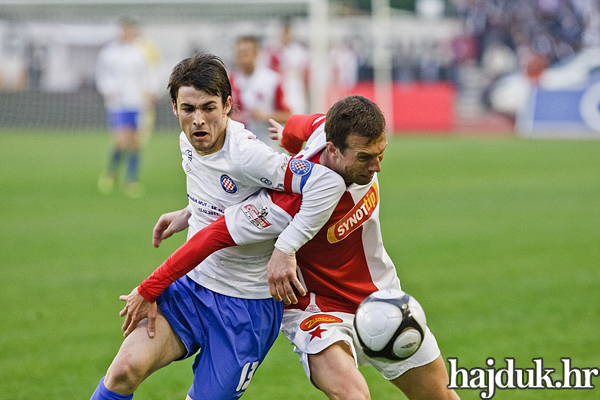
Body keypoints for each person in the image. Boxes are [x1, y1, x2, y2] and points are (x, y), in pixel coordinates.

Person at [121, 95, 460, 399]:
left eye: (381, 154)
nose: (376, 167)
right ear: (333, 149)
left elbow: (299, 125)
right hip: (316, 310)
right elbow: (212, 237)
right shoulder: (284, 204)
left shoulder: (322, 129)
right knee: (353, 396)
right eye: (366, 157)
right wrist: (153, 285)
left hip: (381, 298)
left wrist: (285, 137)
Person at [89, 53, 345, 400]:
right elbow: (220, 195)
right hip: (191, 288)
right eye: (188, 108)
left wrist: (287, 248)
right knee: (123, 370)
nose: (198, 120)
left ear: (227, 105)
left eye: (208, 108)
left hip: (246, 307)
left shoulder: (249, 155)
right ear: (175, 107)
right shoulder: (189, 141)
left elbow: (326, 184)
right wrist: (189, 213)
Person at [95, 17, 160, 198]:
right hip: (118, 103)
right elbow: (101, 75)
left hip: (138, 102)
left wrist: (151, 91)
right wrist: (108, 89)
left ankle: (131, 180)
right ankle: (111, 173)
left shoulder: (141, 52)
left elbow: (150, 73)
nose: (125, 33)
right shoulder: (109, 52)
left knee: (135, 142)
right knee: (121, 139)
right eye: (123, 29)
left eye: (129, 30)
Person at [230, 35, 291, 152]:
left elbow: (288, 116)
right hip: (240, 148)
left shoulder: (272, 80)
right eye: (239, 53)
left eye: (246, 52)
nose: (242, 57)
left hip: (267, 147)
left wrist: (264, 116)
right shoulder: (230, 81)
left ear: (256, 54)